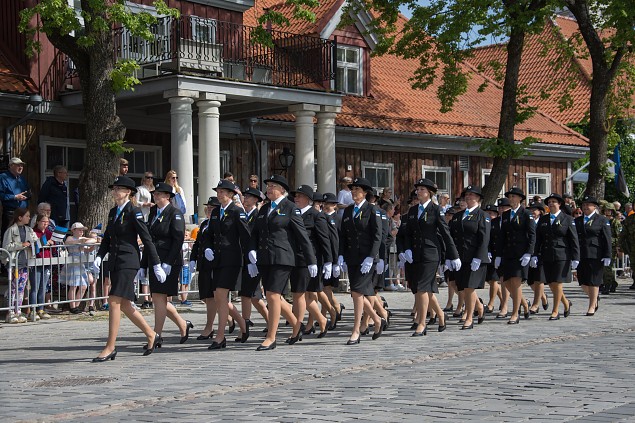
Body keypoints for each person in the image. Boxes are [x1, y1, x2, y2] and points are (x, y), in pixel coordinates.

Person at [91, 176, 166, 362]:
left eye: (119, 189)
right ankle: (151, 334)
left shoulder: (134, 212)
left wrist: (155, 263)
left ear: (128, 192)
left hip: (129, 260)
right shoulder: (113, 212)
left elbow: (146, 238)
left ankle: (110, 346)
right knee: (124, 304)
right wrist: (99, 256)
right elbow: (107, 238)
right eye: (114, 188)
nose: (115, 192)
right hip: (115, 261)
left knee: (114, 301)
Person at [247, 175, 317, 351]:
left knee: (272, 295)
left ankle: (271, 337)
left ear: (282, 190)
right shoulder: (264, 209)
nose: (269, 189)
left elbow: (302, 236)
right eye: (268, 186)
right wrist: (251, 251)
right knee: (274, 296)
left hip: (283, 258)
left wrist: (311, 261)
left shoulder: (290, 208)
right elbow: (254, 233)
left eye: (273, 186)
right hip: (264, 258)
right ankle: (296, 326)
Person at [141, 182, 194, 350]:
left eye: (159, 194)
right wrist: (144, 264)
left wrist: (168, 263)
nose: (155, 196)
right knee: (159, 298)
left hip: (169, 261)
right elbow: (148, 240)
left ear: (167, 197)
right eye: (154, 194)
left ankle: (156, 334)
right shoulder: (153, 213)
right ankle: (182, 324)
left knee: (159, 298)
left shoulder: (175, 213)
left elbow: (177, 239)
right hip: (155, 260)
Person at [404, 179, 459, 335]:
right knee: (425, 289)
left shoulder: (436, 210)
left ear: (429, 193)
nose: (418, 192)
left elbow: (445, 233)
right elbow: (408, 233)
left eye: (422, 189)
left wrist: (453, 255)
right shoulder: (413, 211)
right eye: (418, 189)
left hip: (430, 253)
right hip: (416, 254)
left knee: (421, 287)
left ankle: (422, 323)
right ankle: (441, 315)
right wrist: (407, 249)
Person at [338, 177, 387, 344]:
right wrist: (341, 255)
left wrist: (372, 257)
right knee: (356, 293)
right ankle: (377, 319)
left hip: (366, 258)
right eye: (352, 190)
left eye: (357, 190)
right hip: (352, 257)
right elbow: (343, 235)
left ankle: (356, 330)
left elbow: (377, 236)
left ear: (365, 193)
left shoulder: (372, 211)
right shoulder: (348, 210)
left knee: (357, 292)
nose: (353, 193)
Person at [202, 180, 250, 349]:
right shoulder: (215, 212)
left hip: (232, 259)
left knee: (221, 295)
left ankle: (220, 336)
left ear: (231, 194)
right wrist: (207, 248)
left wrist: (250, 256)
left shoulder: (237, 211)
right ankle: (243, 325)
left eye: (223, 191)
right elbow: (208, 234)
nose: (219, 194)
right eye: (218, 191)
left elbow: (245, 235)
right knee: (218, 297)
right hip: (217, 260)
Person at [290, 185, 331, 341]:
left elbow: (324, 240)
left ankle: (297, 329)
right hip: (294, 258)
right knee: (303, 295)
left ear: (307, 199)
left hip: (308, 260)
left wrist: (328, 261)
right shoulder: (293, 213)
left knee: (299, 294)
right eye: (295, 196)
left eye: (299, 196)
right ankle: (322, 320)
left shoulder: (316, 215)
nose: (296, 198)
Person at [449, 185, 489, 330]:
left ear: (478, 198)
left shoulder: (482, 215)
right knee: (463, 288)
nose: (468, 197)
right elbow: (452, 237)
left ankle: (470, 317)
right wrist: (450, 256)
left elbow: (484, 238)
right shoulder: (458, 216)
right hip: (460, 257)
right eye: (467, 194)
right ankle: (479, 306)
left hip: (474, 258)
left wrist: (479, 257)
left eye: (472, 195)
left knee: (469, 287)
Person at [533, 194, 579, 320]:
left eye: (554, 202)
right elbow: (538, 239)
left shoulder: (567, 219)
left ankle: (555, 310)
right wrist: (534, 254)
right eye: (549, 202)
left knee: (557, 283)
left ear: (560, 204)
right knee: (552, 284)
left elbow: (573, 239)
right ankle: (566, 303)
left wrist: (576, 257)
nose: (551, 204)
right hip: (547, 254)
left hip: (562, 254)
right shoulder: (543, 219)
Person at [495, 187, 535, 325]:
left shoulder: (526, 214)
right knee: (506, 282)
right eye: (509, 196)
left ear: (520, 199)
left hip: (520, 253)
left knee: (516, 283)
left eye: (513, 196)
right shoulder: (505, 215)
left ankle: (515, 313)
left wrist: (529, 253)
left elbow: (531, 235)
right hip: (507, 253)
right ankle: (524, 303)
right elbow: (501, 236)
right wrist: (498, 255)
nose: (510, 199)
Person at [237, 188, 269, 332]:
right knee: (247, 293)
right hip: (244, 257)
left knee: (253, 295)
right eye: (245, 196)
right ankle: (246, 321)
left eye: (249, 197)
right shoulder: (243, 214)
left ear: (256, 200)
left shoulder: (257, 215)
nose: (246, 198)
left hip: (254, 259)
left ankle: (269, 320)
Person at [575, 196, 611, 316]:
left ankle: (591, 305)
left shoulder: (601, 220)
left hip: (595, 254)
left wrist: (607, 255)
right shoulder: (577, 220)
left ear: (594, 206)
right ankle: (594, 298)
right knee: (582, 281)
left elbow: (607, 238)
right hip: (581, 254)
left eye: (588, 205)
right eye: (584, 205)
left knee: (594, 281)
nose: (585, 207)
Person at [3, 207, 38, 323]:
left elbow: (35, 241)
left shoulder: (29, 230)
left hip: (25, 262)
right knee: (13, 288)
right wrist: (21, 244)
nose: (29, 218)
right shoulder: (11, 230)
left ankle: (18, 311)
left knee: (21, 288)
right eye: (27, 216)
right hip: (14, 263)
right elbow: (6, 247)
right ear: (20, 217)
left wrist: (34, 243)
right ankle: (10, 312)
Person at [60, 222, 97, 314]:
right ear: (73, 230)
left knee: (84, 286)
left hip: (81, 264)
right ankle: (72, 306)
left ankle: (76, 305)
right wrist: (80, 241)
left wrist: (90, 244)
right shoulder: (70, 238)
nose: (81, 232)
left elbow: (91, 242)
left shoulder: (82, 238)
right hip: (73, 263)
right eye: (79, 230)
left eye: (82, 230)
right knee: (73, 285)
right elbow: (68, 243)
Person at [29, 213, 54, 321]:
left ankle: (41, 309)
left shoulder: (49, 232)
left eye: (47, 222)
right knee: (35, 287)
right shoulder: (33, 232)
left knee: (43, 287)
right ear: (38, 222)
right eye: (43, 222)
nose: (45, 224)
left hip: (47, 261)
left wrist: (52, 242)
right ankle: (33, 310)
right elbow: (34, 244)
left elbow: (53, 242)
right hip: (36, 261)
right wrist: (45, 242)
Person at [0, 157, 30, 243]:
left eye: (22, 165)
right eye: (18, 165)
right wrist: (15, 197)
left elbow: (28, 191)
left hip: (23, 212)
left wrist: (27, 195)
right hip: (11, 213)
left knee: (23, 235)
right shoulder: (3, 177)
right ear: (11, 166)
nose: (21, 167)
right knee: (8, 236)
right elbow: (1, 195)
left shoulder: (22, 179)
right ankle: (6, 255)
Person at [527, 202, 549, 314]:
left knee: (539, 279)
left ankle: (536, 304)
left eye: (534, 210)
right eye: (530, 210)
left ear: (540, 211)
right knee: (530, 280)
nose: (532, 212)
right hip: (528, 253)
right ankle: (543, 296)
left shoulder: (543, 222)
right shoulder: (527, 221)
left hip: (541, 253)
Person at [600, 203, 621, 294]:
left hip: (612, 247)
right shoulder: (602, 220)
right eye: (606, 210)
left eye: (609, 210)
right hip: (603, 247)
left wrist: (618, 247)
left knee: (608, 267)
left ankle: (607, 284)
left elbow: (619, 236)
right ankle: (612, 283)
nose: (607, 212)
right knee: (605, 267)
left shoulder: (615, 222)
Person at [619, 202, 635, 290]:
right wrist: (620, 243)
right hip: (632, 246)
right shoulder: (630, 219)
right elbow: (623, 233)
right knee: (633, 264)